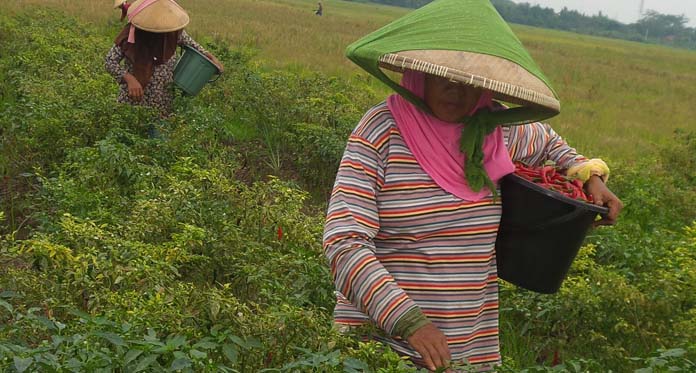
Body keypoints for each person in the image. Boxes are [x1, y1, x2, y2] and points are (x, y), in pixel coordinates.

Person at [323, 0, 622, 371]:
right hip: (377, 346)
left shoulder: (495, 130)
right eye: (444, 74)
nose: (458, 89)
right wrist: (408, 321)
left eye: (471, 79)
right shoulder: (381, 131)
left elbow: (550, 144)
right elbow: (344, 242)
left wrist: (590, 174)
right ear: (419, 72)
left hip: (467, 347)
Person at [104, 0, 223, 117]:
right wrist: (129, 79)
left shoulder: (173, 31)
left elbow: (195, 47)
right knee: (130, 133)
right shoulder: (131, 32)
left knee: (159, 134)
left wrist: (211, 57)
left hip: (163, 103)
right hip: (133, 101)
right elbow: (110, 61)